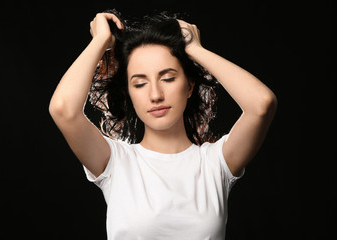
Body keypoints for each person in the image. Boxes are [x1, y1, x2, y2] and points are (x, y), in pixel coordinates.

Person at [49, 10, 277, 240]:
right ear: (128, 95)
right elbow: (63, 109)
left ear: (189, 86)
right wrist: (100, 41)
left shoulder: (214, 164)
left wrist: (194, 49)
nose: (156, 94)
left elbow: (262, 104)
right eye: (139, 84)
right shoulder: (116, 162)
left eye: (168, 78)